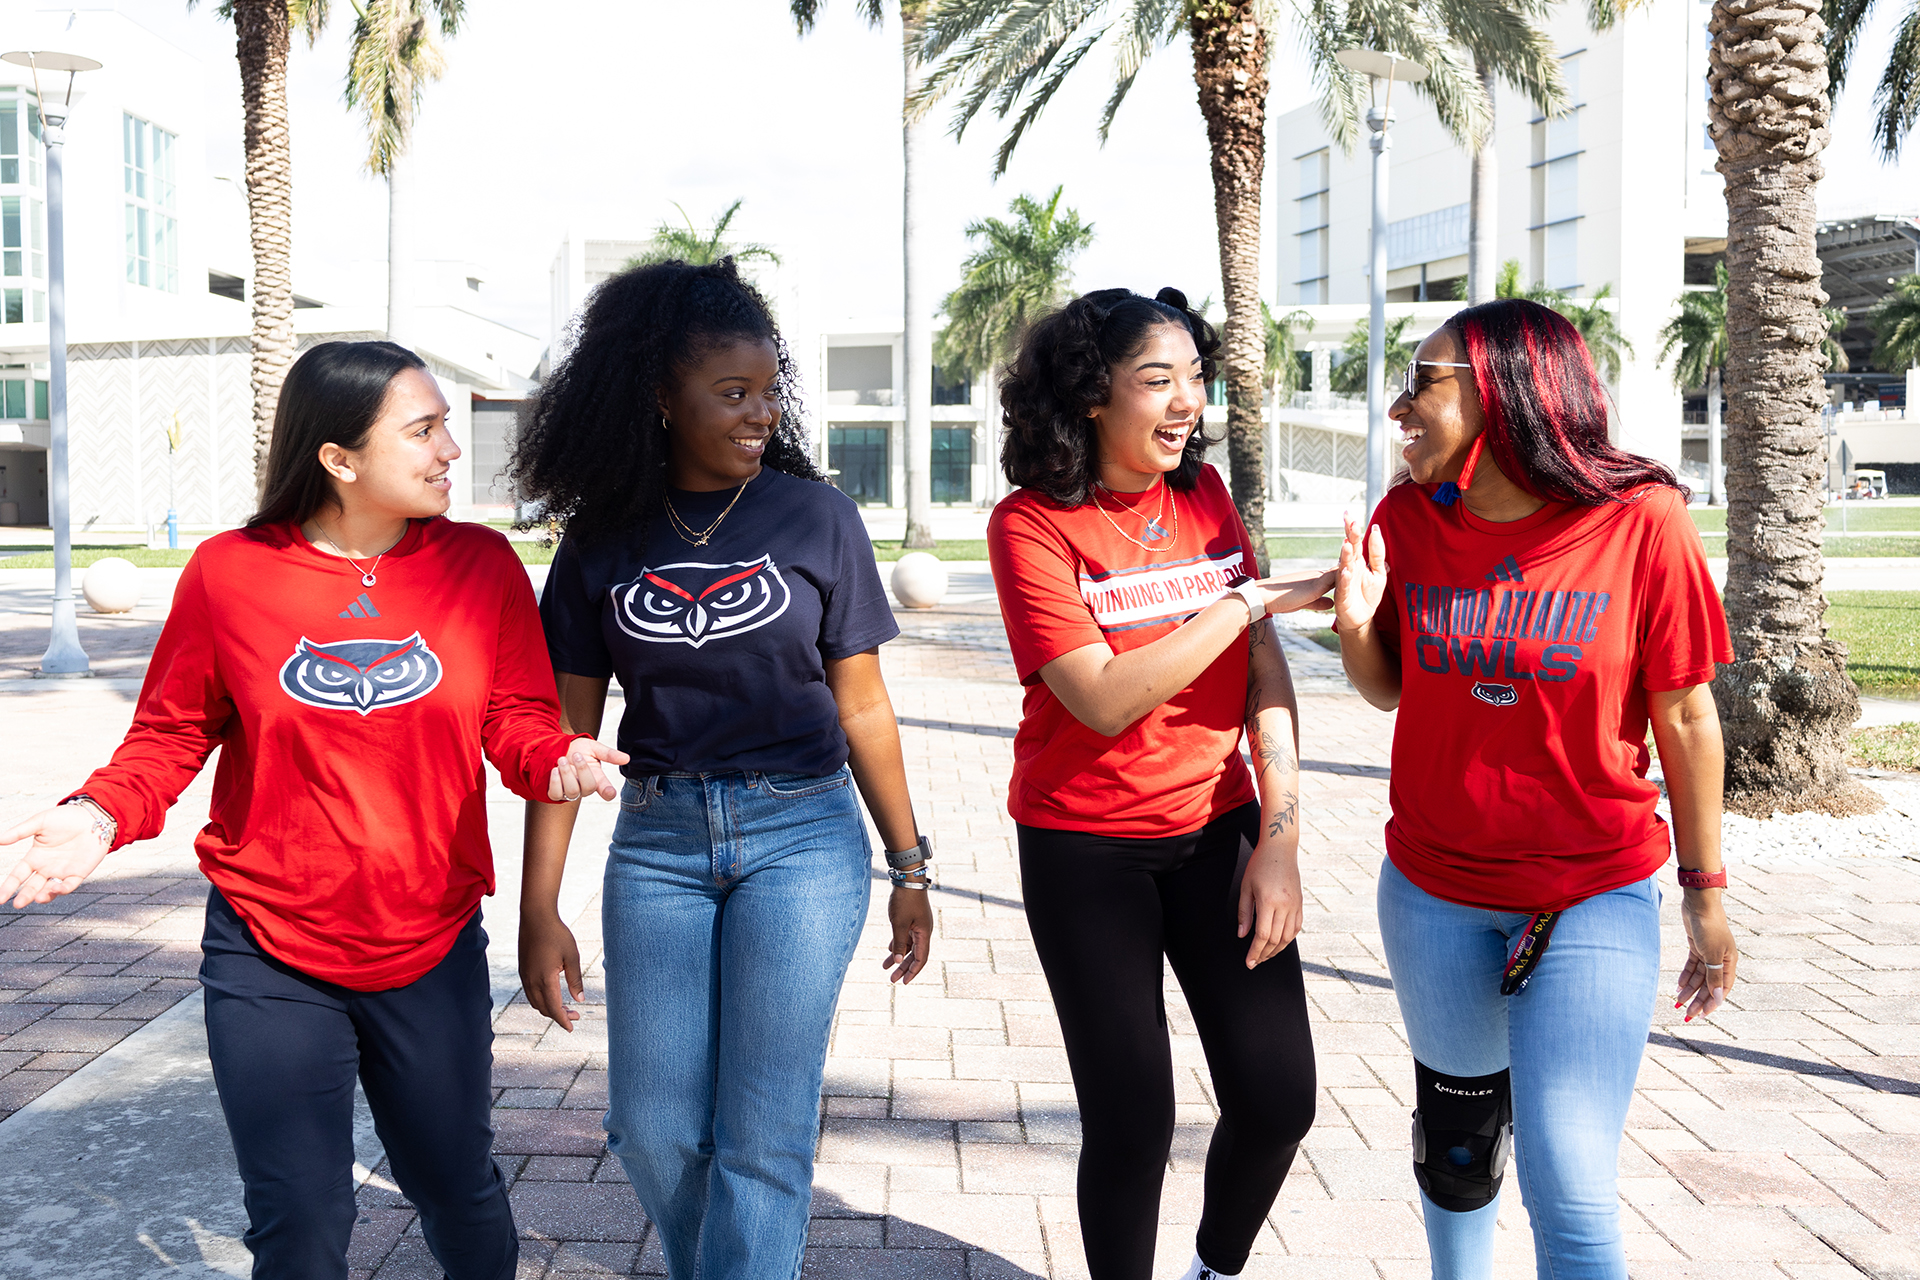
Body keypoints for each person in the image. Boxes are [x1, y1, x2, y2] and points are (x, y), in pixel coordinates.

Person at [0, 340, 626, 1280]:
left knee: (454, 1186)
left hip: (430, 939)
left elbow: (516, 717)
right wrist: (95, 816)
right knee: (299, 1219)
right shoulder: (229, 573)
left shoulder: (481, 565)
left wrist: (556, 761)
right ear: (339, 459)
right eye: (422, 430)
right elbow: (169, 737)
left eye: (446, 425)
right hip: (268, 946)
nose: (451, 449)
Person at [510, 257, 934, 1280]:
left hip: (803, 837)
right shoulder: (602, 540)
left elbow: (863, 701)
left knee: (761, 1130)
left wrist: (911, 865)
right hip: (658, 836)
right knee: (650, 1125)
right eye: (730, 393)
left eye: (766, 391)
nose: (758, 414)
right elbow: (567, 737)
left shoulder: (816, 517)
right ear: (661, 398)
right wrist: (538, 903)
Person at [1331, 298, 1738, 1280]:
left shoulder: (1644, 520)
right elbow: (1393, 685)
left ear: (1502, 391)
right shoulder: (1408, 519)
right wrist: (1352, 625)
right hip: (1433, 890)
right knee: (1460, 1150)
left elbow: (1686, 717)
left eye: (1422, 382)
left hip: (1590, 888)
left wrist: (1706, 893)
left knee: (1568, 1173)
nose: (1399, 407)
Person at [987, 287, 1335, 1280]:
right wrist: (1242, 602)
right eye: (1158, 379)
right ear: (1094, 395)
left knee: (1278, 1097)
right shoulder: (1031, 527)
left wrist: (1280, 840)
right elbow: (1101, 696)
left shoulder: (1207, 497)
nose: (1187, 399)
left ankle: (1215, 1267)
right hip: (1082, 848)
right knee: (1134, 1119)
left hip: (1217, 823)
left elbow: (1266, 670)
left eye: (1195, 375)